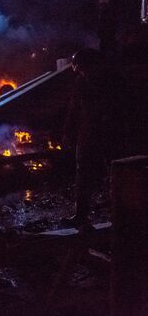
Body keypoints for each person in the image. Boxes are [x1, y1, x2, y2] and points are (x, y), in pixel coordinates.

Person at [62, 48, 131, 227]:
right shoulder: (81, 83)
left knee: (116, 172)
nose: (77, 69)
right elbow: (74, 109)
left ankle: (122, 212)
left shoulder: (114, 81)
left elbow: (126, 107)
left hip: (111, 133)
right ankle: (81, 214)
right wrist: (68, 132)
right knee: (83, 174)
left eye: (79, 65)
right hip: (88, 133)